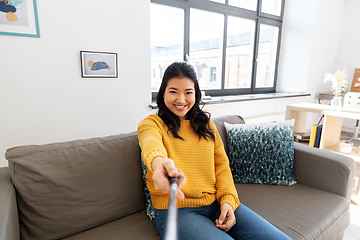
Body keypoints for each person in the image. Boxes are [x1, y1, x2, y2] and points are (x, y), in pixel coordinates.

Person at [137, 62, 292, 240]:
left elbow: (222, 166)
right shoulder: (151, 124)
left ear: (196, 93)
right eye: (173, 91)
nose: (181, 99)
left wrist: (227, 200)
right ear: (163, 92)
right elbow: (151, 144)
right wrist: (159, 164)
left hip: (216, 203)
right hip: (177, 212)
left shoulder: (206, 125)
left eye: (188, 92)